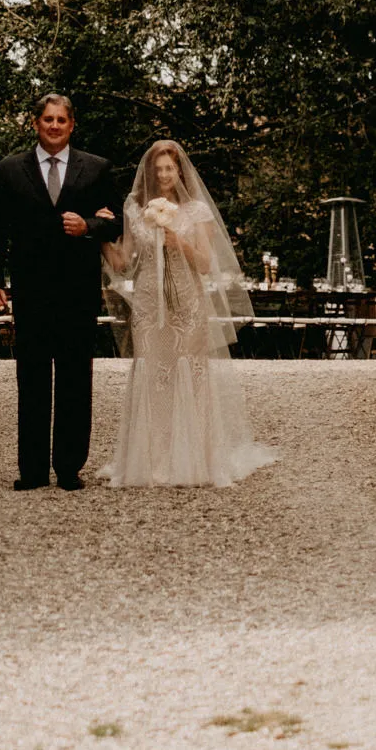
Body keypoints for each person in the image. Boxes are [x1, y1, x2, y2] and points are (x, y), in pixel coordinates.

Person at [102, 139, 274, 488]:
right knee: (153, 376)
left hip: (188, 304)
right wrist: (100, 235)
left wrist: (178, 241)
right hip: (149, 304)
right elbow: (123, 261)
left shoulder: (197, 211)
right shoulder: (135, 209)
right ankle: (151, 462)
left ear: (179, 171)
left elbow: (207, 264)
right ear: (150, 173)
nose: (164, 174)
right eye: (158, 169)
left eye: (170, 168)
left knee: (190, 375)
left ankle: (193, 460)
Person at [0, 93, 122, 491]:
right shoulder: (10, 170)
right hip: (32, 291)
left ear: (72, 125)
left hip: (78, 291)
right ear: (35, 123)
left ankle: (69, 467)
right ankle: (32, 469)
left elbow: (121, 222)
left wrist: (90, 226)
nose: (54, 126)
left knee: (77, 378)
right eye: (48, 119)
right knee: (33, 378)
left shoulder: (96, 169)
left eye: (62, 120)